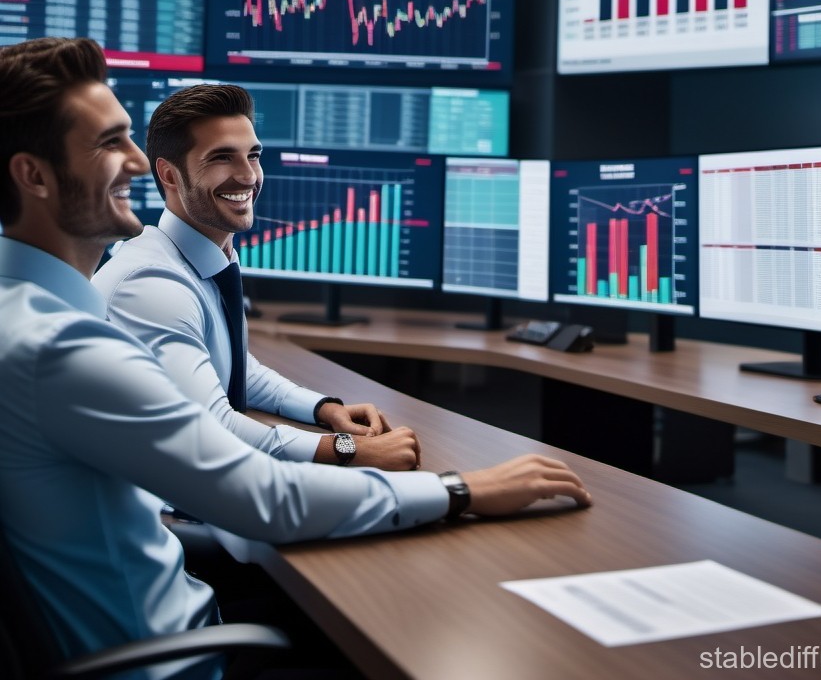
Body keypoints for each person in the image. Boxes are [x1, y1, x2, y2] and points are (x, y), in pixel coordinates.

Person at [0, 37, 591, 677]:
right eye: (109, 143)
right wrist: (463, 488)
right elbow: (263, 500)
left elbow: (232, 378)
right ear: (33, 176)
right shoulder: (62, 348)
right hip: (179, 659)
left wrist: (322, 408)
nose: (139, 162)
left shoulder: (34, 314)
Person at [94, 83, 417, 472]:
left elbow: (231, 368)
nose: (248, 176)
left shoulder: (205, 256)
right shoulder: (149, 285)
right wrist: (347, 448)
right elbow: (213, 428)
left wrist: (324, 408)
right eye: (222, 158)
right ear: (170, 175)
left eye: (253, 155)